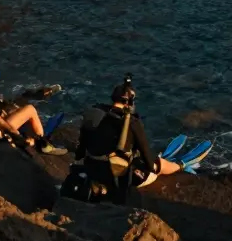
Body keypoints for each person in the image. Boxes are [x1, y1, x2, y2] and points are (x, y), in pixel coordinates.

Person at [70, 75, 180, 203]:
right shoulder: (132, 121)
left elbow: (79, 153)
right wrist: (152, 166)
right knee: (157, 165)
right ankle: (179, 166)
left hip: (92, 170)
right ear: (130, 102)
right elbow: (148, 162)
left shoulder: (95, 114)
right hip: (116, 176)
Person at [0, 53, 67, 156]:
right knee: (30, 109)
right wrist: (15, 135)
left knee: (20, 103)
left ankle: (41, 94)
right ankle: (43, 145)